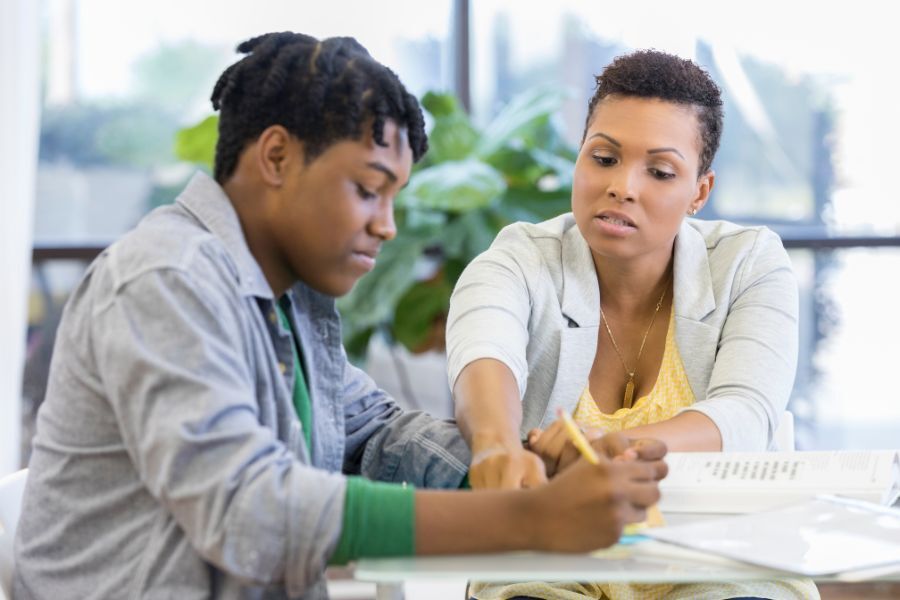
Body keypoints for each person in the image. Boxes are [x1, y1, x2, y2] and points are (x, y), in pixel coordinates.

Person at [12, 33, 668, 600]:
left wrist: (522, 468)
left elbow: (371, 433)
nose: (385, 227)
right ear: (275, 157)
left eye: (393, 198)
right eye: (366, 189)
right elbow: (252, 511)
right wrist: (529, 520)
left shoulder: (286, 298)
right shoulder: (166, 279)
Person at [447, 50, 818, 599]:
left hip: (721, 556)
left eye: (660, 171)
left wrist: (609, 448)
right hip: (552, 555)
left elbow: (744, 414)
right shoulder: (519, 259)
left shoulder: (749, 264)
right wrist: (498, 446)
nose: (623, 186)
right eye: (603, 158)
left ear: (699, 191)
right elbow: (484, 351)